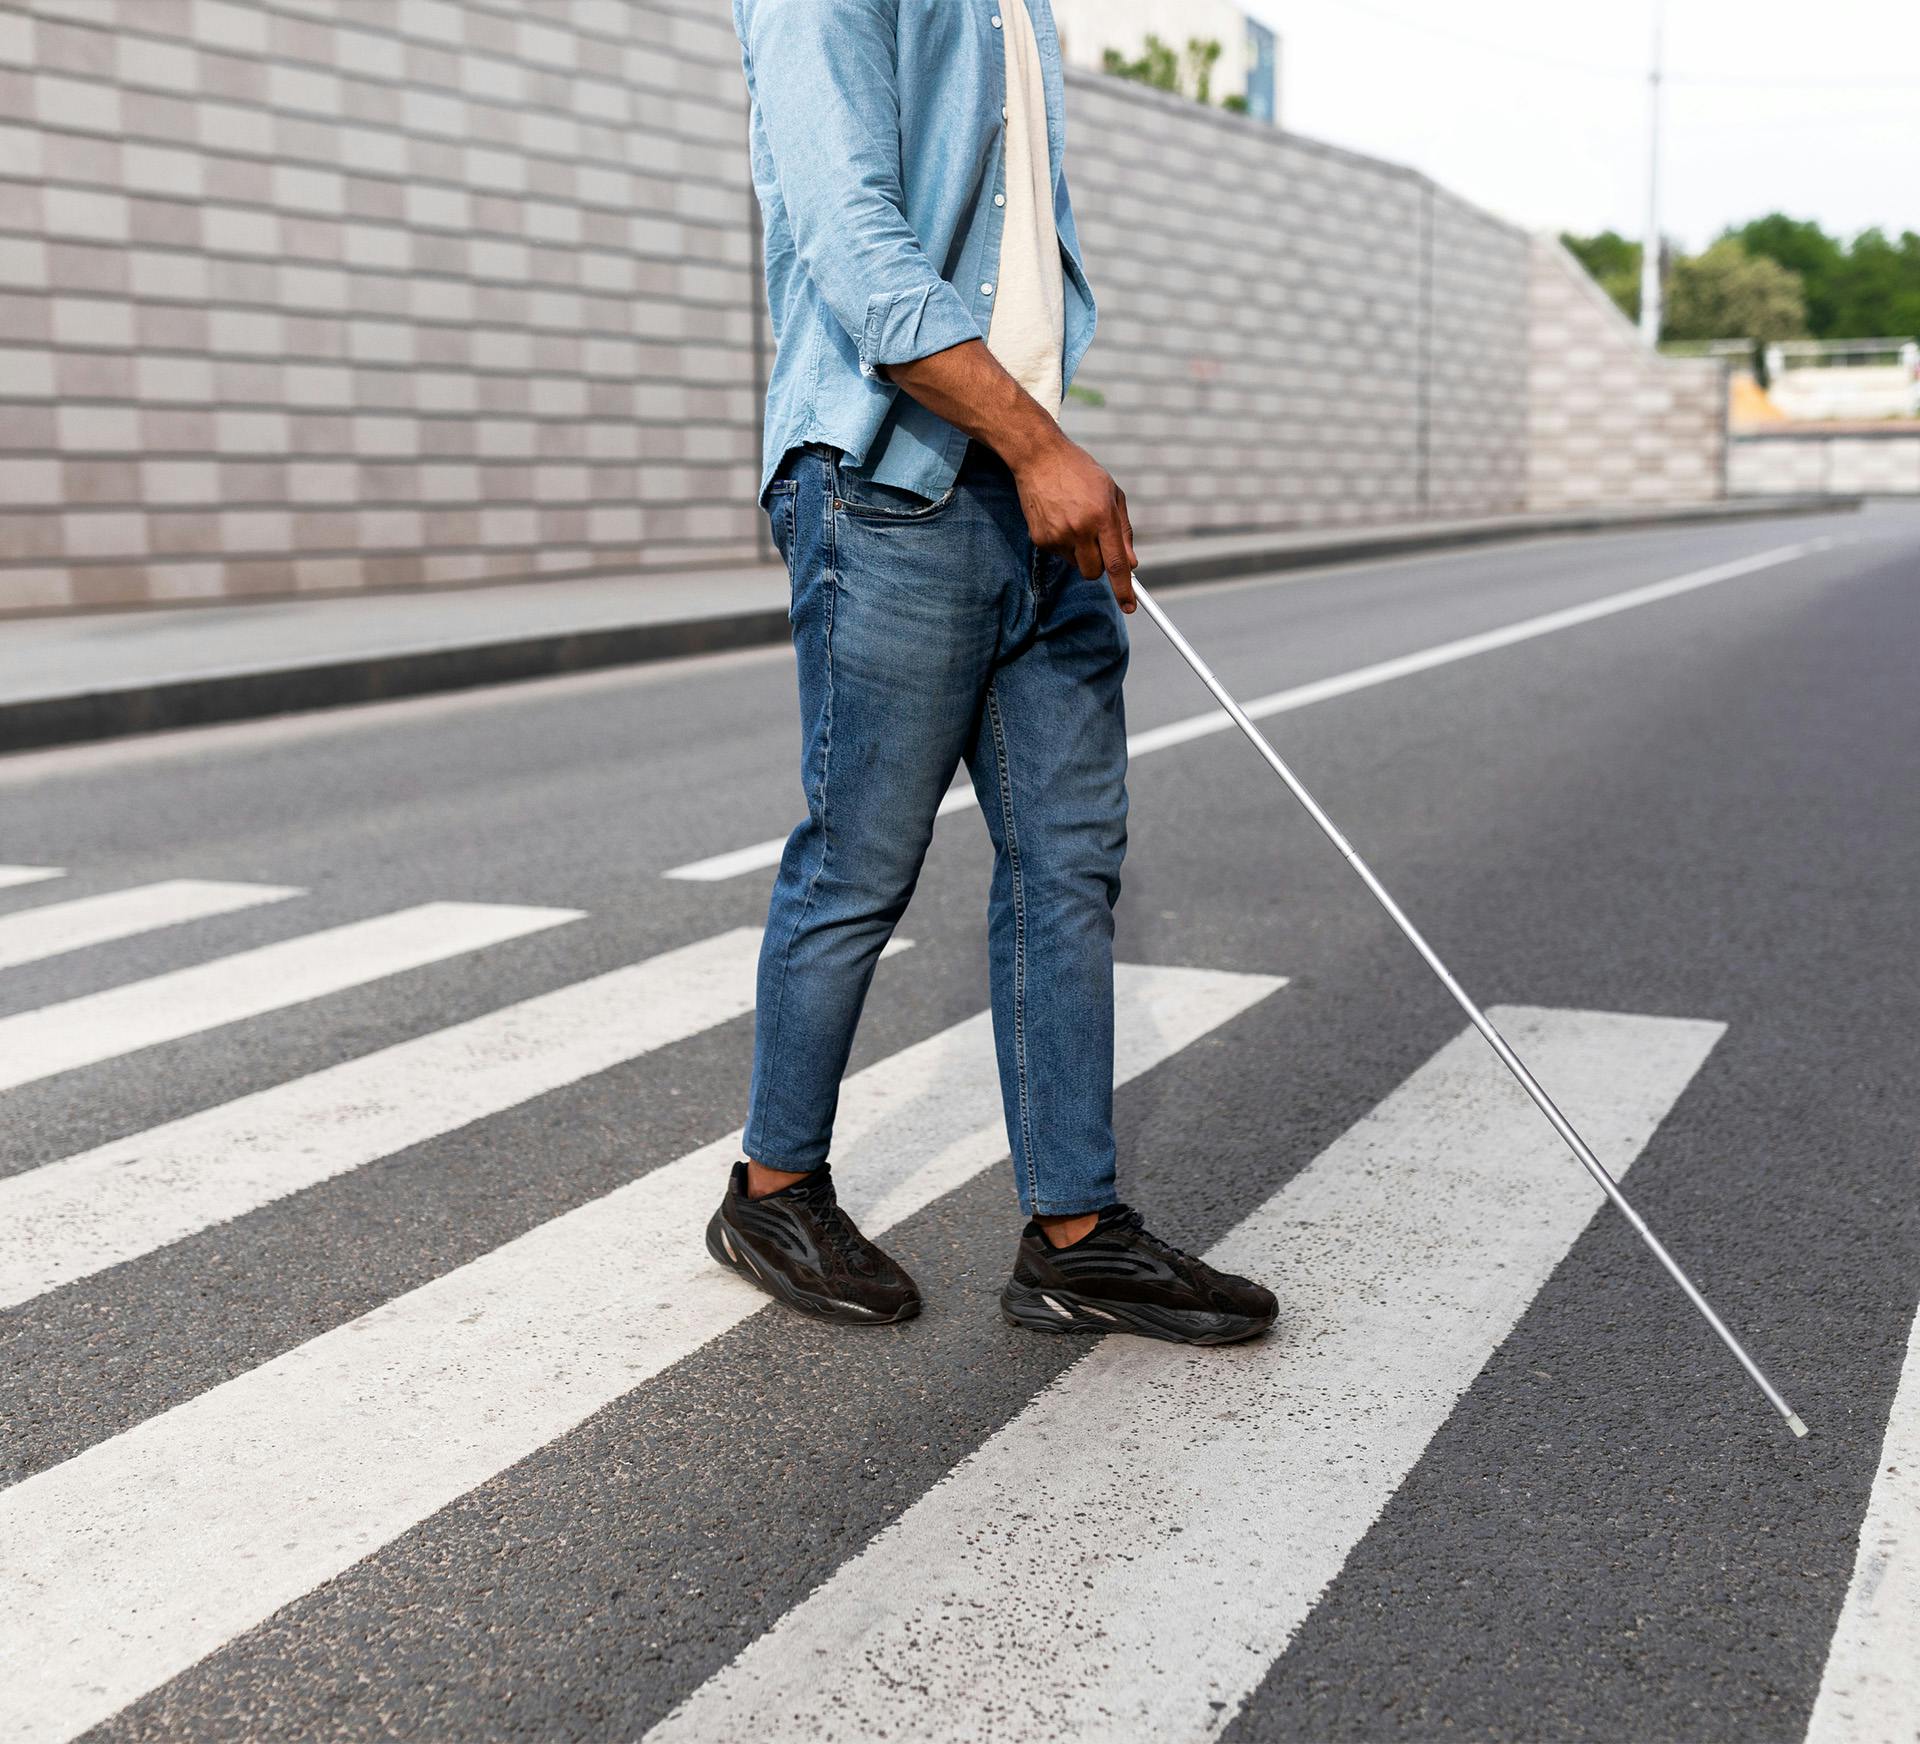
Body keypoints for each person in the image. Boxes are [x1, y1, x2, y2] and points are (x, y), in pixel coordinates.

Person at [709, 0, 1277, 1345]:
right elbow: (855, 246)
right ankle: (771, 1189)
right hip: (889, 483)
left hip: (1017, 481)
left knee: (1068, 863)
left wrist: (1034, 453)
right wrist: (1041, 449)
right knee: (861, 860)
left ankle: (1077, 1236)